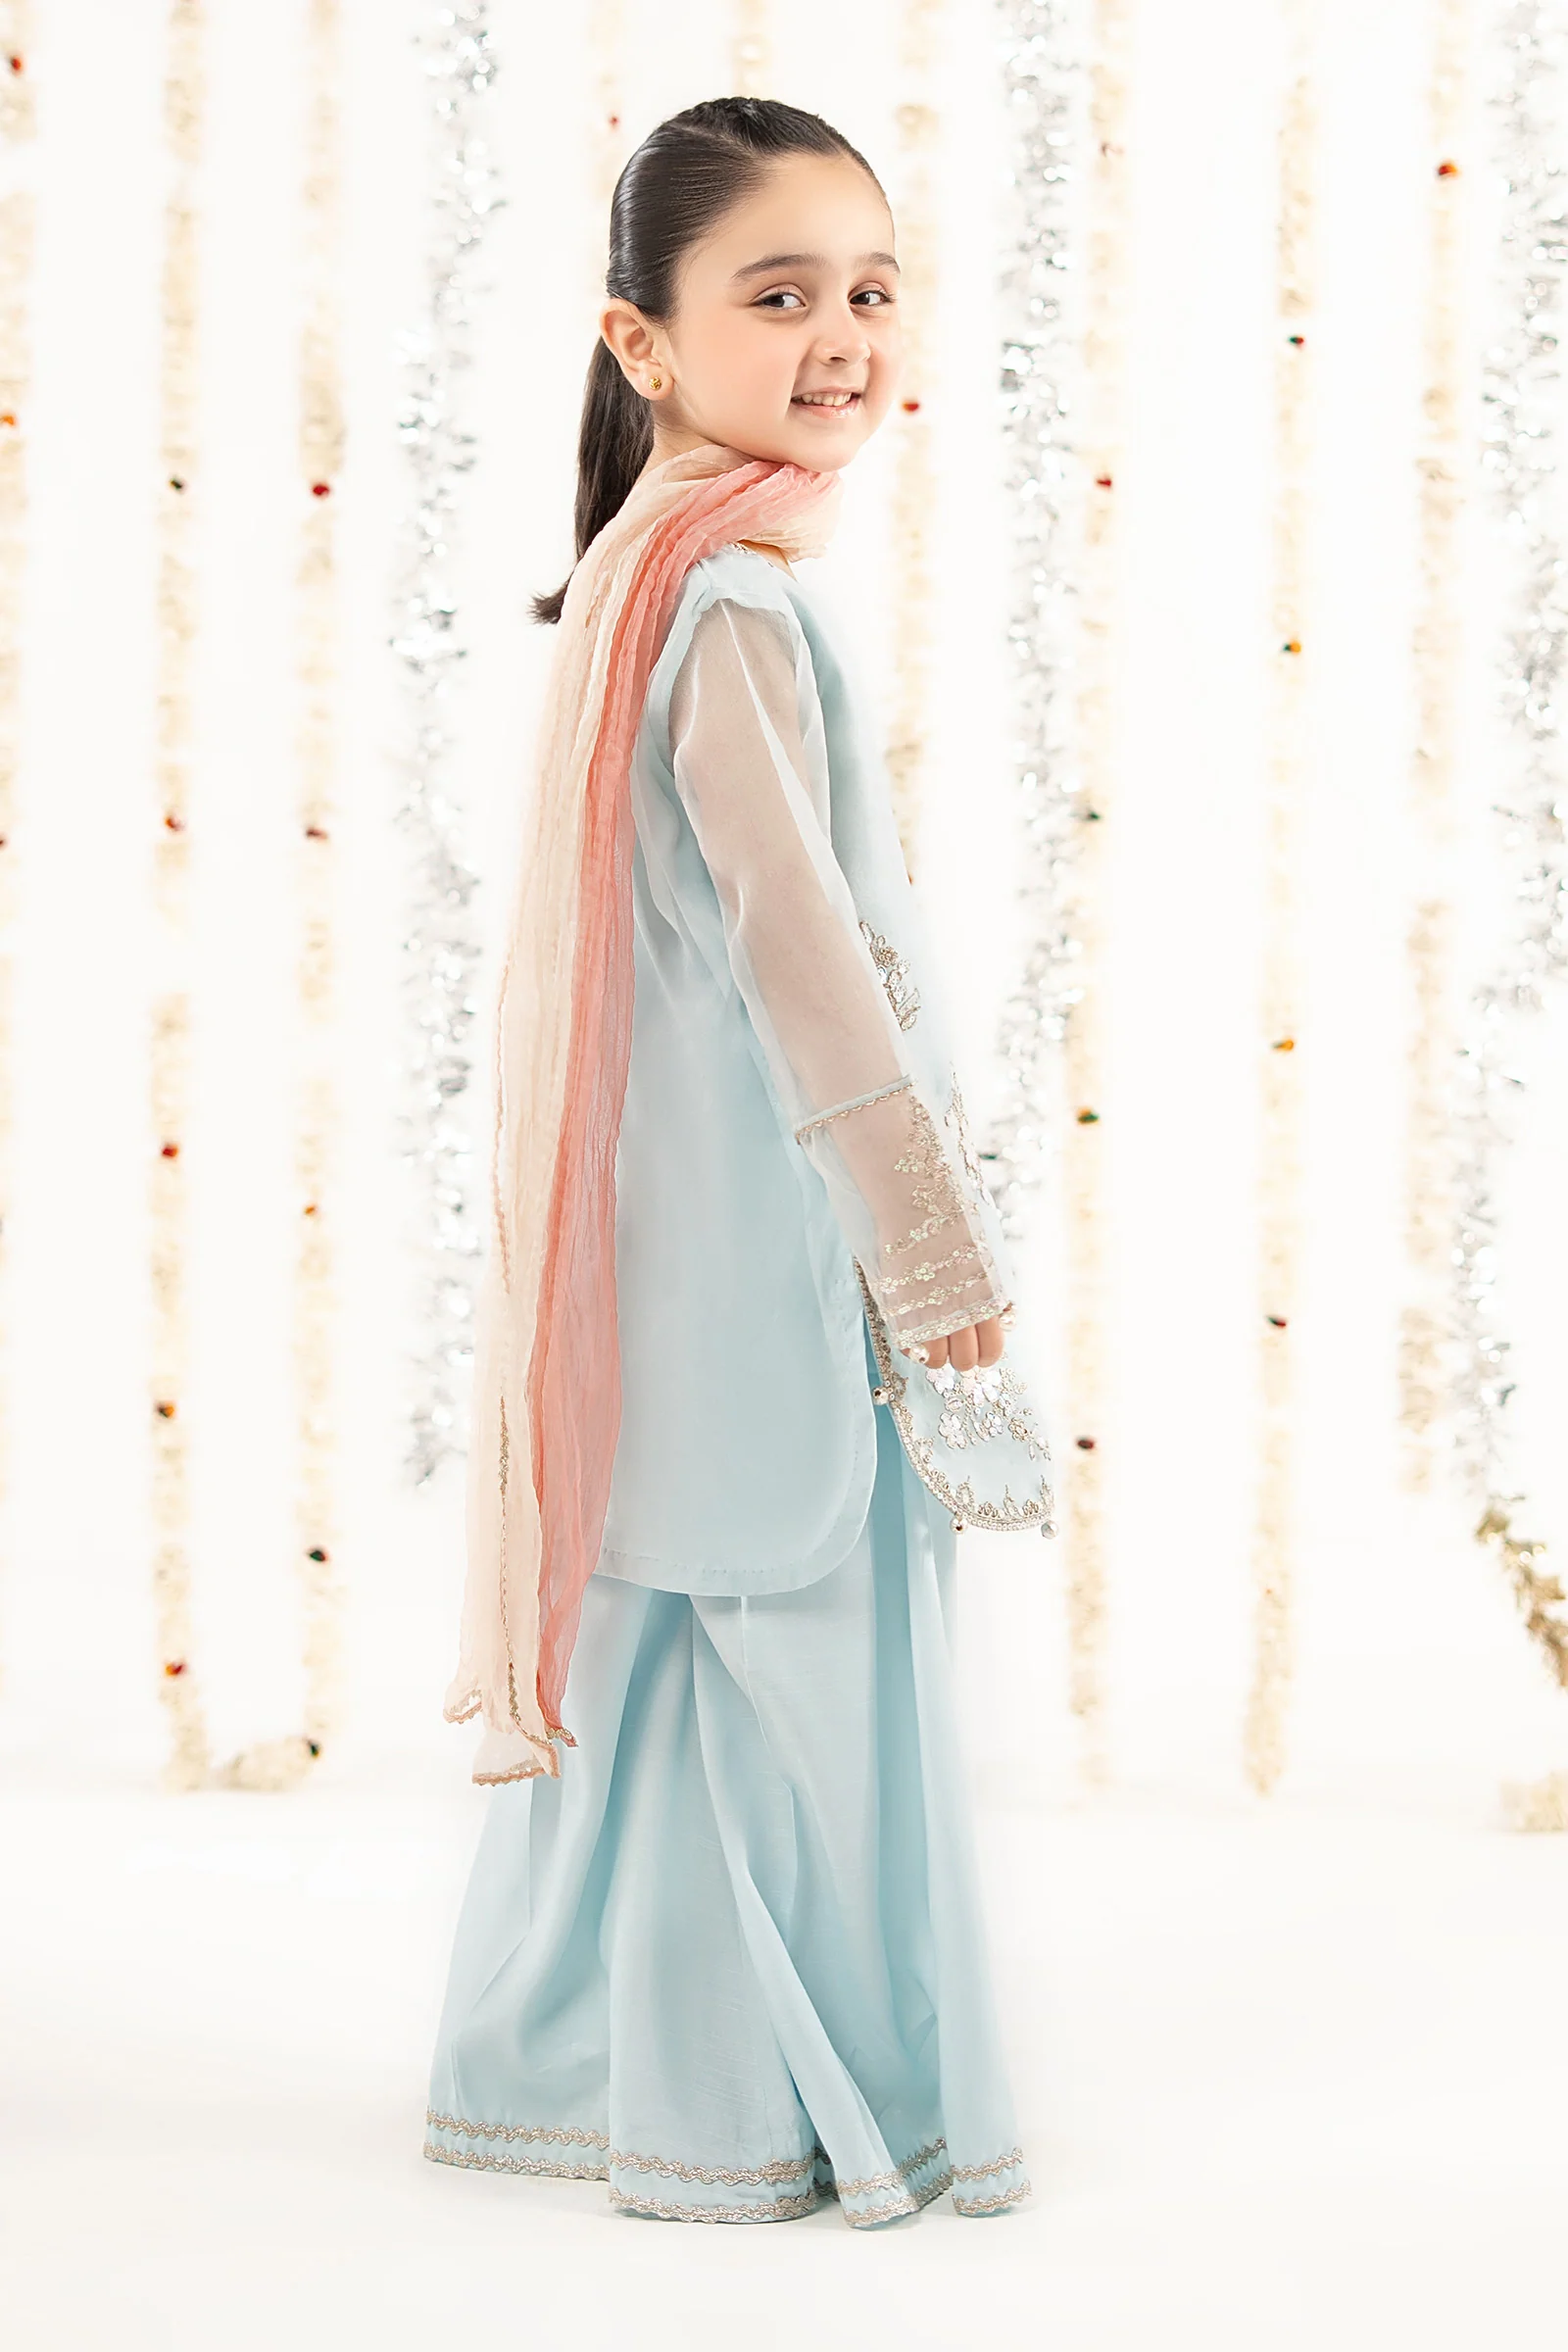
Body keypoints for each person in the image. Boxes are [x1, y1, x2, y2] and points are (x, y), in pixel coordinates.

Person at [424, 94, 1045, 2228]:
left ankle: (609, 2073)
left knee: (684, 1641)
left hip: (674, 1231)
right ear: (642, 340)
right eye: (777, 295)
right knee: (790, 1647)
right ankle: (756, 2110)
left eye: (870, 289)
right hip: (774, 1232)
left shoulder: (659, 576)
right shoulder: (731, 609)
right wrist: (925, 1238)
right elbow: (803, 953)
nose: (842, 337)